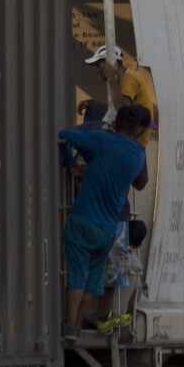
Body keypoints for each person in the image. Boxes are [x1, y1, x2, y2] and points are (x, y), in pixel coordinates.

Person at [58, 105, 149, 341]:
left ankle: (70, 326)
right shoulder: (139, 155)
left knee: (77, 275)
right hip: (108, 228)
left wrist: (70, 162)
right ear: (138, 130)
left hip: (83, 218)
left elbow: (65, 135)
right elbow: (140, 182)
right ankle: (77, 327)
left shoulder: (103, 140)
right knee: (92, 281)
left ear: (116, 122)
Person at [86, 45, 158, 147]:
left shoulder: (129, 78)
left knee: (93, 113)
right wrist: (94, 102)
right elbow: (117, 109)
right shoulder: (123, 79)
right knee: (93, 108)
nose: (97, 70)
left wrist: (111, 79)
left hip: (133, 141)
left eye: (99, 66)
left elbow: (122, 109)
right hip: (129, 135)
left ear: (112, 64)